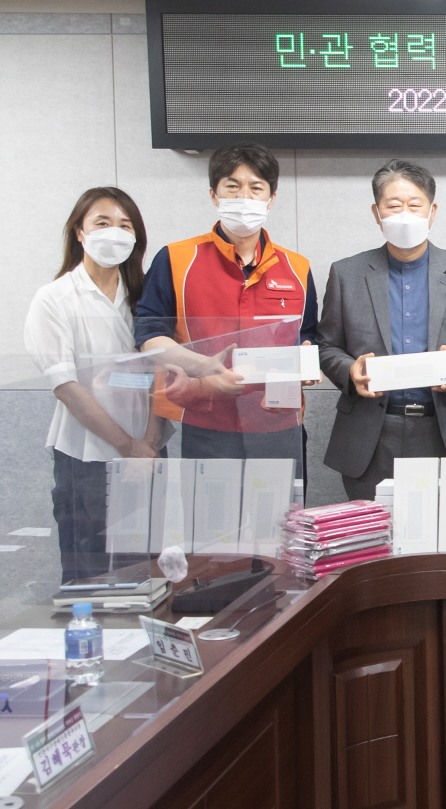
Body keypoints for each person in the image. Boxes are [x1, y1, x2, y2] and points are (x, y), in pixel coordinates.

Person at [134, 142, 318, 475]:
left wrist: (306, 361)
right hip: (206, 420)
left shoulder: (297, 267)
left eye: (256, 188)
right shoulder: (176, 258)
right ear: (214, 194)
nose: (244, 197)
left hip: (278, 422)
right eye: (232, 186)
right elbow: (148, 334)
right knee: (209, 510)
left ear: (271, 198)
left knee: (281, 510)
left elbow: (307, 335)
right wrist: (203, 367)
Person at [317, 160, 446, 501]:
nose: (404, 215)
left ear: (432, 211)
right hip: (371, 435)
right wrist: (350, 371)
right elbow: (326, 345)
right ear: (377, 213)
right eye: (393, 206)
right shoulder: (346, 274)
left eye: (414, 205)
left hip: (444, 430)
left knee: (444, 530)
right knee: (373, 531)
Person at [24, 187, 161, 580]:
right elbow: (66, 386)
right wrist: (128, 447)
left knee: (149, 572)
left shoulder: (146, 297)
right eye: (102, 223)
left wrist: (148, 446)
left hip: (149, 454)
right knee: (90, 574)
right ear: (79, 233)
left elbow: (163, 375)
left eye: (124, 225)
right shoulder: (54, 298)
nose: (114, 232)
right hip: (86, 456)